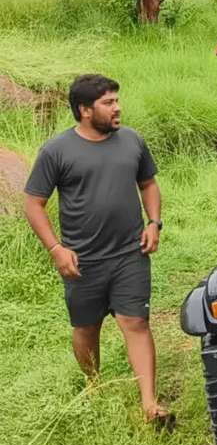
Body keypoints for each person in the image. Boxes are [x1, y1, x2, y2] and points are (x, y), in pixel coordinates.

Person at [23, 74, 171, 425]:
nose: (117, 108)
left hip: (130, 253)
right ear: (85, 110)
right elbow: (33, 203)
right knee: (87, 328)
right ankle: (94, 385)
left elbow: (148, 184)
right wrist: (56, 248)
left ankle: (150, 404)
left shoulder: (132, 140)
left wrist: (154, 222)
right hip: (83, 260)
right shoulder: (56, 151)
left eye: (117, 100)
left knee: (136, 321)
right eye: (108, 103)